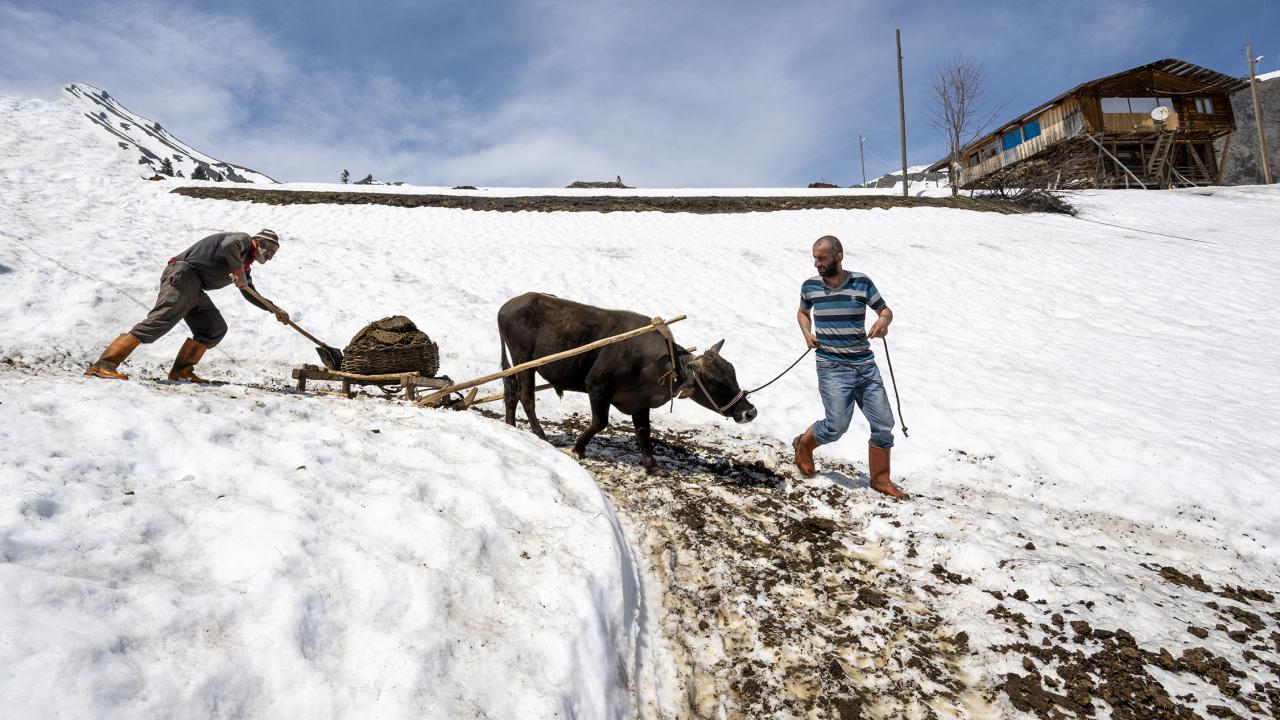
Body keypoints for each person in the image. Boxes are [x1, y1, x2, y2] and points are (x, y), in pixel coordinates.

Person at [85, 229, 290, 383]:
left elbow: (249, 291)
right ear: (260, 242)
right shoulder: (243, 240)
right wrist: (239, 273)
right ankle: (103, 365)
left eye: (274, 253)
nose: (271, 256)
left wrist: (274, 310)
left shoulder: (245, 264)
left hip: (196, 286)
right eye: (271, 250)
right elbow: (228, 245)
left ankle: (181, 372)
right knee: (161, 320)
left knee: (213, 328)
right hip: (183, 274)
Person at [792, 235, 905, 498]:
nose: (816, 263)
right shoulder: (810, 286)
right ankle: (804, 445)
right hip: (831, 365)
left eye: (822, 258)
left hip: (865, 365)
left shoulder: (861, 282)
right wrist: (807, 333)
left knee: (884, 423)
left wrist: (884, 322)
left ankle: (880, 479)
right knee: (836, 425)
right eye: (815, 258)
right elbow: (802, 312)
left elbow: (885, 310)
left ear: (839, 256)